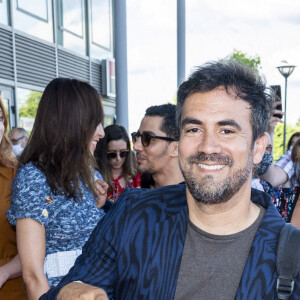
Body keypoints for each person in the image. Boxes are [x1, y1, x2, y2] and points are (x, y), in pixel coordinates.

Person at [40, 61, 300, 300]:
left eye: (227, 130)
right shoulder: (134, 214)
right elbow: (71, 291)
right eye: (194, 129)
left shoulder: (290, 256)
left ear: (257, 148)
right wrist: (65, 293)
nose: (208, 146)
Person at [7, 78, 106, 300]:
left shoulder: (89, 174)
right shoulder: (34, 178)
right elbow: (32, 275)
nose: (101, 132)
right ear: (72, 122)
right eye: (94, 122)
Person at [0, 97, 27, 299]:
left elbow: (37, 245)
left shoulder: (18, 175)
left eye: (0, 118)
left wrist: (5, 271)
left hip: (11, 290)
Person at [132, 103, 184, 188]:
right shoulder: (135, 197)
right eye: (137, 136)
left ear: (176, 148)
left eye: (148, 138)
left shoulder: (197, 199)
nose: (136, 146)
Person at [94, 124, 141, 203]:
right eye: (112, 154)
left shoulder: (136, 176)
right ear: (103, 153)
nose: (118, 158)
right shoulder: (95, 177)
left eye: (123, 153)